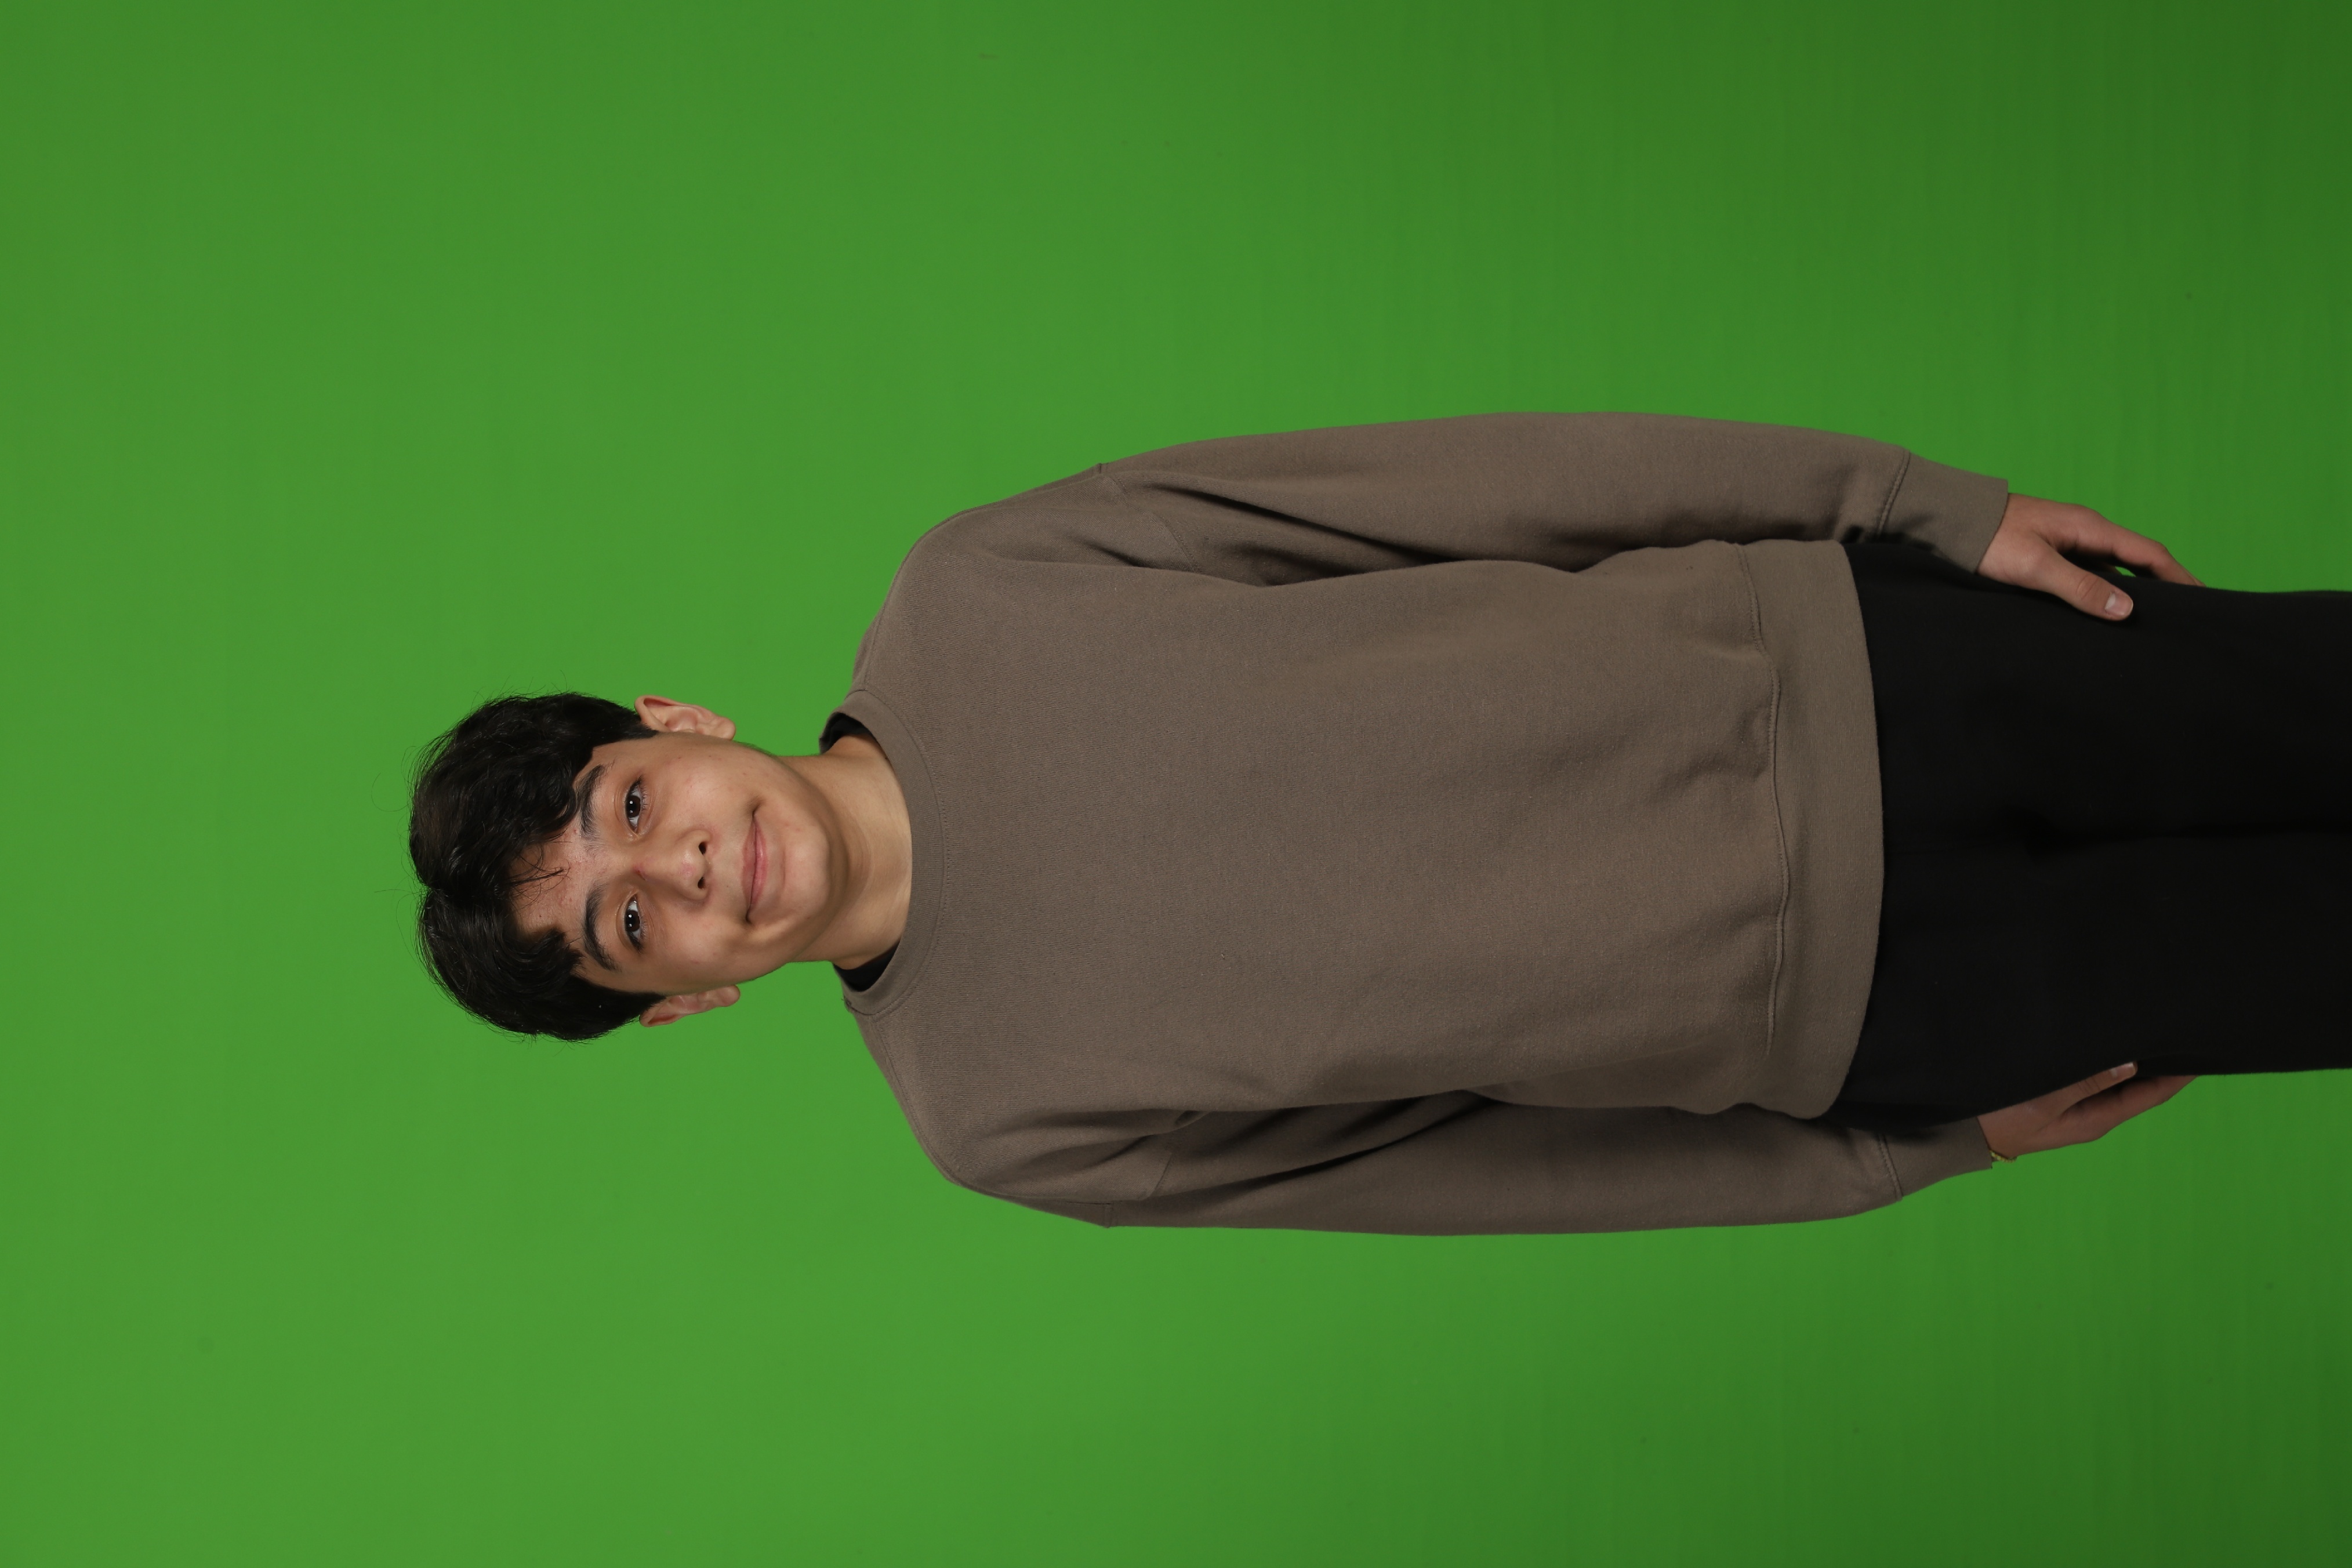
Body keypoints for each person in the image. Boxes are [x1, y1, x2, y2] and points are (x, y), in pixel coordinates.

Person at [408, 414, 2347, 1235]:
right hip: (1889, 1012)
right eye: (629, 926)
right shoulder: (996, 1120)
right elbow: (1487, 1174)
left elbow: (1466, 487)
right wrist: (1897, 1154)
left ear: (675, 724)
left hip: (1869, 663)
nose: (679, 867)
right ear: (683, 1002)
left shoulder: (978, 592)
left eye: (631, 806)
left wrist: (1912, 503)